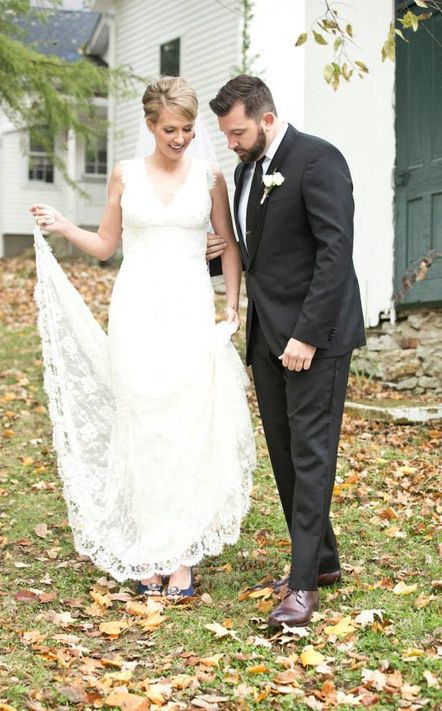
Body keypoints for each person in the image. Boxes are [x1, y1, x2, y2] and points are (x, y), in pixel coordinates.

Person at [30, 76, 255, 599]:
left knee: (183, 427)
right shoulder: (125, 175)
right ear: (151, 125)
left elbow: (229, 247)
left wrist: (232, 304)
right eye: (170, 129)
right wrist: (65, 226)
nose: (180, 139)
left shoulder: (210, 175)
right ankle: (148, 549)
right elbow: (108, 245)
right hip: (135, 311)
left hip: (189, 311)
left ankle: (180, 555)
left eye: (188, 129)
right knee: (143, 426)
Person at [209, 75, 366, 626]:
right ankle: (320, 559)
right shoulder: (247, 168)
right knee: (284, 454)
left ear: (267, 119)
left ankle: (302, 588)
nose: (231, 141)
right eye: (226, 134)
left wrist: (307, 334)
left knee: (312, 454)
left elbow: (334, 253)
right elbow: (262, 253)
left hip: (313, 339)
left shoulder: (319, 159)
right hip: (266, 337)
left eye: (237, 131)